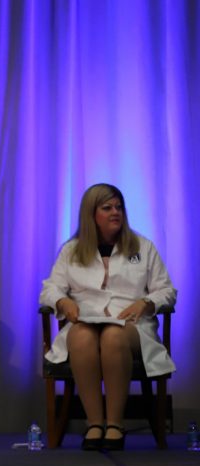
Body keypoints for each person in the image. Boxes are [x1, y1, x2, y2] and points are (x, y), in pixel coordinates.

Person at [40, 184, 176, 451]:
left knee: (112, 336)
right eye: (107, 208)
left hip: (130, 326)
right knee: (80, 336)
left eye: (119, 207)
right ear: (91, 214)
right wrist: (63, 301)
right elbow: (50, 288)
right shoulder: (71, 250)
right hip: (86, 322)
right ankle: (94, 424)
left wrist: (147, 302)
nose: (116, 212)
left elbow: (167, 291)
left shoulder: (143, 246)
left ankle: (114, 424)